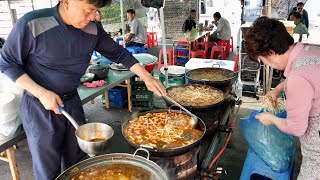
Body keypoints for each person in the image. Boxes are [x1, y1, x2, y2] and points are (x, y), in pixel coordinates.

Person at [0, 0, 166, 179]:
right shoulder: (32, 23)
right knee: (48, 170)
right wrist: (41, 92)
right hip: (40, 107)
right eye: (88, 10)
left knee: (78, 164)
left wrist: (147, 76)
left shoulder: (92, 29)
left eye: (95, 11)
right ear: (67, 1)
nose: (93, 16)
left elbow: (119, 53)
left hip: (72, 102)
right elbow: (7, 63)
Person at [245, 17, 320, 179]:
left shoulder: (297, 78)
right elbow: (309, 80)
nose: (265, 64)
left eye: (262, 60)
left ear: (271, 53)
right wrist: (278, 89)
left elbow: (296, 128)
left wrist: (270, 118)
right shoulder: (311, 51)